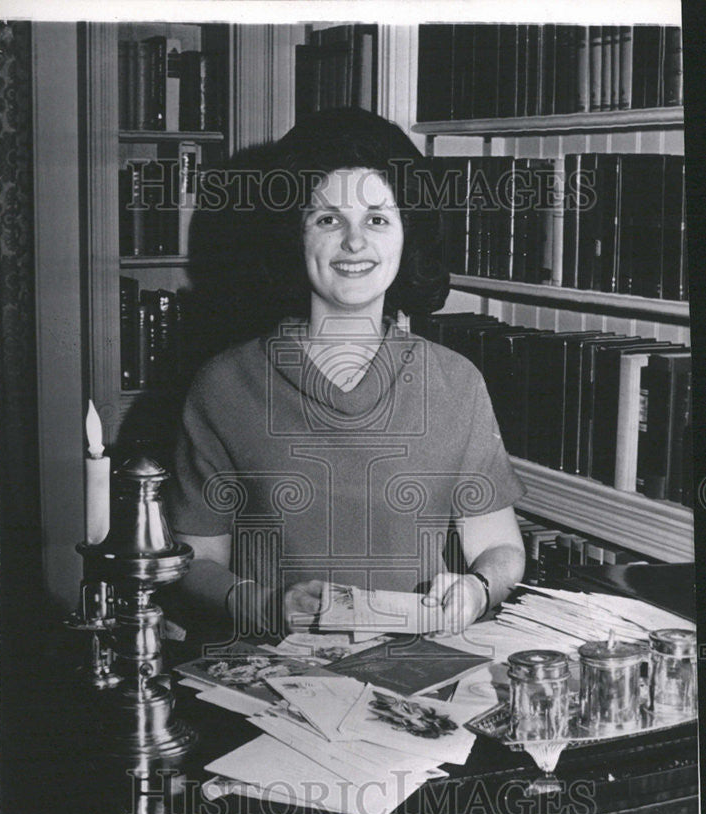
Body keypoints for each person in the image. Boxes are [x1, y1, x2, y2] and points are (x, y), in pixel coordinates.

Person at [166, 108, 526, 640]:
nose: (355, 242)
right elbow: (192, 560)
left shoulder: (457, 383)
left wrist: (479, 587)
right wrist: (261, 605)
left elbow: (499, 546)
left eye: (378, 219)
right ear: (293, 234)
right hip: (268, 680)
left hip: (417, 678)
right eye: (328, 219)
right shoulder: (222, 385)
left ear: (408, 236)